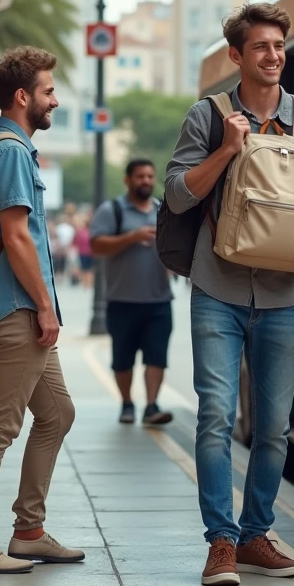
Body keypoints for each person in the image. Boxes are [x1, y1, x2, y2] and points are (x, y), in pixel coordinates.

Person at [164, 3, 294, 586]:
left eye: (279, 46)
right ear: (237, 56)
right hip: (216, 289)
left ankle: (255, 533)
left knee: (271, 426)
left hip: (286, 295)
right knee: (215, 414)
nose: (273, 56)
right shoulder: (208, 117)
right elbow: (178, 196)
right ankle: (221, 540)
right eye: (260, 47)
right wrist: (226, 150)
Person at [0, 46, 83, 576]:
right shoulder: (9, 152)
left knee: (57, 414)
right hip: (17, 311)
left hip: (15, 308)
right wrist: (46, 308)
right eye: (49, 91)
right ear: (23, 96)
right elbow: (17, 237)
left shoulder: (3, 147)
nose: (55, 99)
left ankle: (28, 530)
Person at [90, 159, 175, 427]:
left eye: (150, 176)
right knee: (123, 359)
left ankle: (151, 407)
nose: (146, 181)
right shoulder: (112, 210)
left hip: (159, 300)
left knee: (157, 356)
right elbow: (96, 246)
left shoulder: (164, 210)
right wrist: (132, 237)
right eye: (140, 176)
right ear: (127, 180)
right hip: (121, 301)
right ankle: (127, 403)